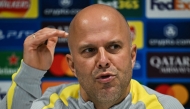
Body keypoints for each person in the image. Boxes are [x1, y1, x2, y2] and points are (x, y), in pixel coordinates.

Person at [0, 4, 184, 109]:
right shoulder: (54, 104)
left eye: (114, 46)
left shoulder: (164, 107)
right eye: (89, 50)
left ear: (132, 55)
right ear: (72, 65)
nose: (103, 60)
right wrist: (30, 72)